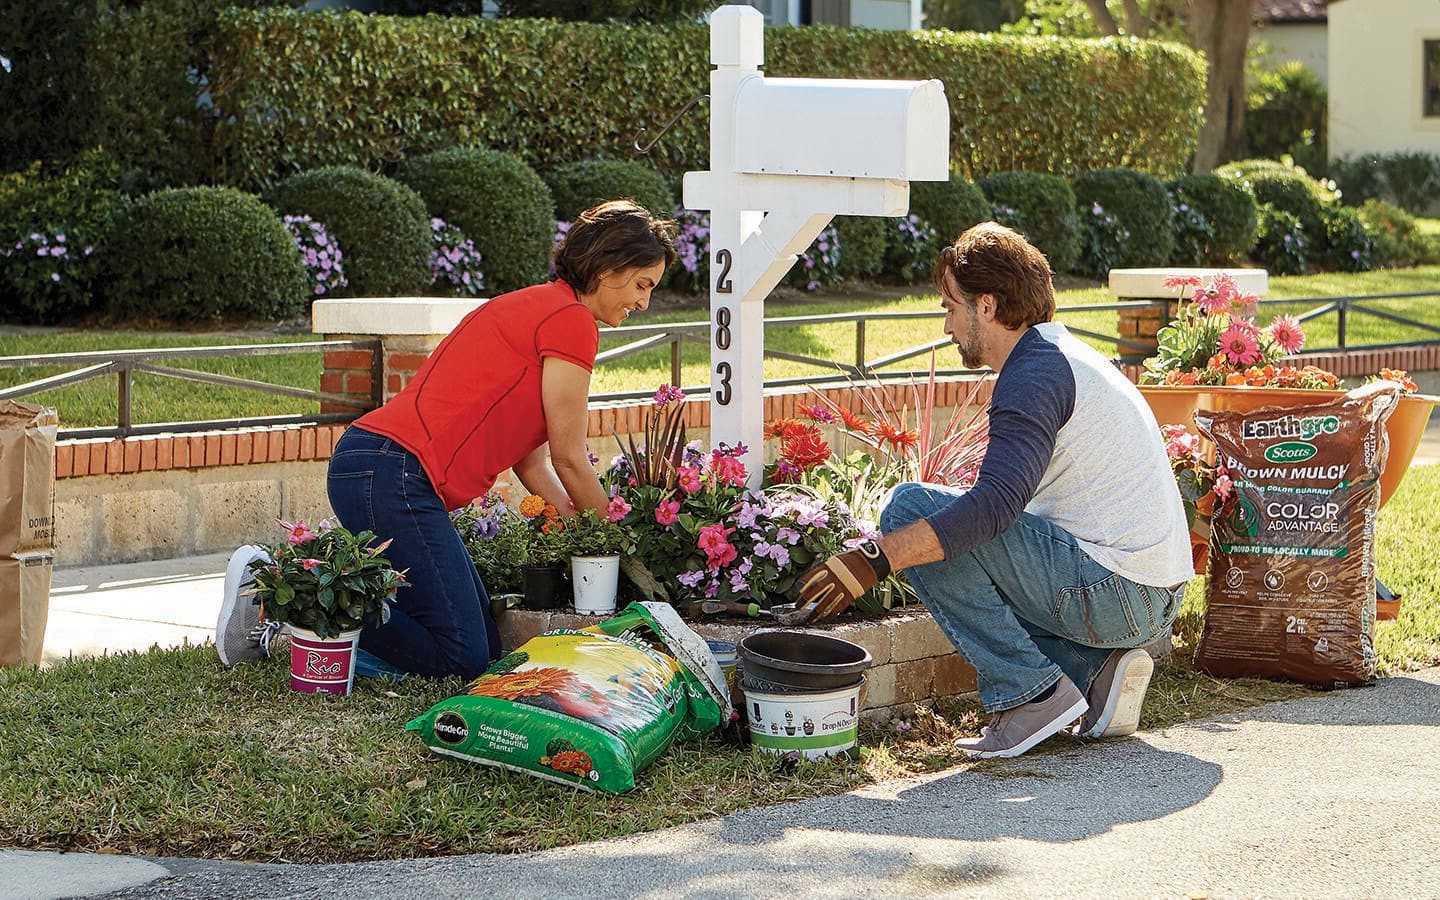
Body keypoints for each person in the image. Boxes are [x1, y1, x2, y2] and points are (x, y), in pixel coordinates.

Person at [217, 199, 676, 677]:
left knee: (483, 644)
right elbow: (570, 458)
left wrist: (580, 530)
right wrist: (620, 547)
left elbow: (534, 464)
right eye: (642, 285)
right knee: (463, 659)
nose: (643, 303)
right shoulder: (571, 321)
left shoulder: (541, 305)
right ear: (607, 268)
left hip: (377, 466)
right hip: (394, 472)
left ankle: (316, 632)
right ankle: (281, 589)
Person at [795, 222, 1193, 759]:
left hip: (1118, 592)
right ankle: (1094, 673)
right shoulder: (1062, 356)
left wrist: (876, 558)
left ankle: (1030, 697)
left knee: (909, 509)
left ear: (986, 305)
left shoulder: (1033, 375)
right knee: (956, 533)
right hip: (1151, 592)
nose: (947, 325)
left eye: (950, 306)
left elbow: (996, 508)